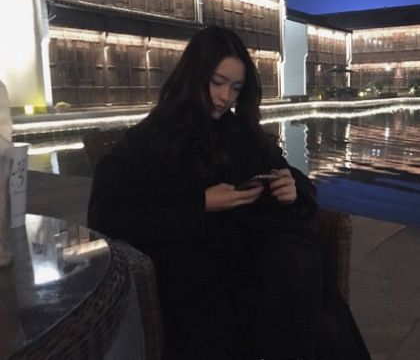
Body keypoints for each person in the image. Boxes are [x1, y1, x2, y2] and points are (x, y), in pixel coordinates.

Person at [88, 26, 371, 360]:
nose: (225, 97)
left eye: (235, 88)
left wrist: (290, 185)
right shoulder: (152, 138)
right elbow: (106, 213)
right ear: (194, 77)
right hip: (192, 263)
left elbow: (283, 169)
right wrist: (203, 203)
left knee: (299, 258)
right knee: (302, 295)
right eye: (217, 83)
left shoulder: (237, 131)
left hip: (248, 251)